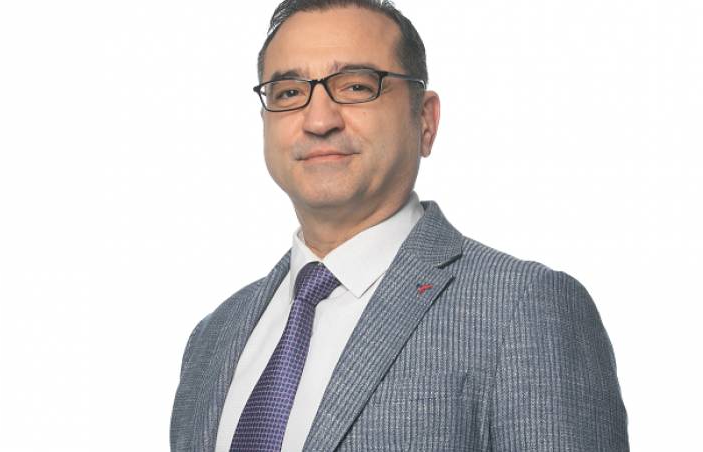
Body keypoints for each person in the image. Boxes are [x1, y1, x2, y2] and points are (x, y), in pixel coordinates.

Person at [170, 1, 629, 450]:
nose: (319, 120)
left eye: (356, 86)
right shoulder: (213, 339)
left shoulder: (524, 309)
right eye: (289, 93)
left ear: (425, 120)